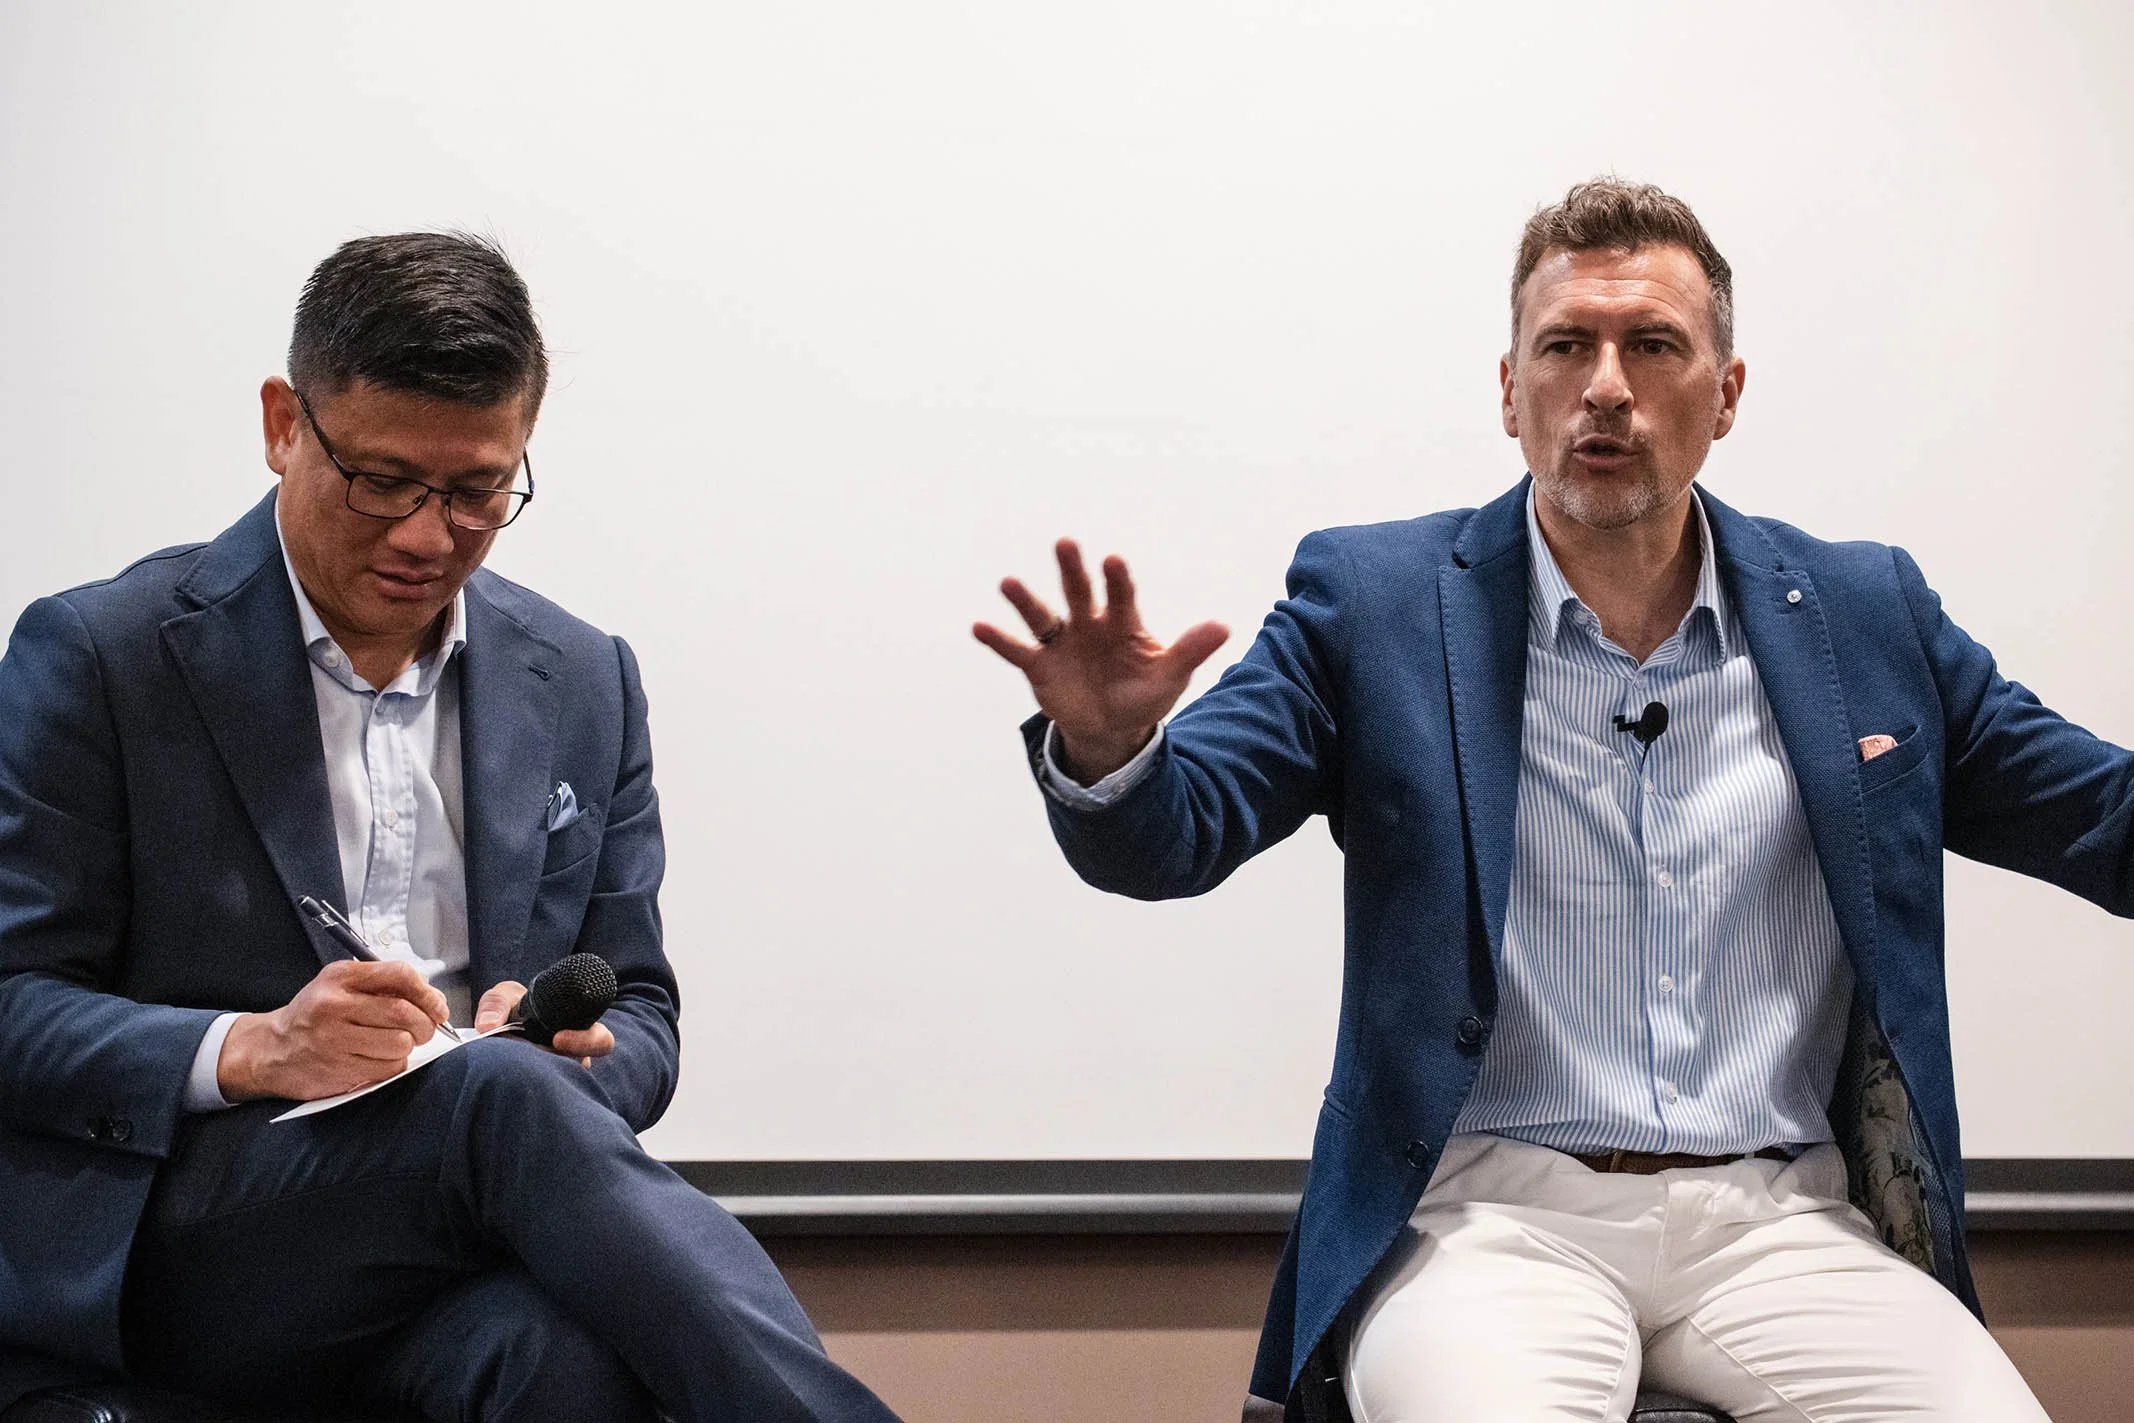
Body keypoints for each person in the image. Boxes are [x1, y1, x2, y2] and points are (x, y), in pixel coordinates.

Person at [976, 179, 2090, 1421]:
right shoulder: (1376, 603)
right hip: (1491, 1219)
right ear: (1510, 391)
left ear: (1724, 394)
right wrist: (1112, 747)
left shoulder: (1861, 614)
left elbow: (2095, 814)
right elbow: (1174, 833)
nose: (1605, 386)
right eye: (1565, 347)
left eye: (1652, 344)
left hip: (1782, 1217)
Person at [0, 233, 900, 1423]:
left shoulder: (583, 676)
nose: (429, 537)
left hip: (454, 1247)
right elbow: (14, 1002)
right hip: (190, 1249)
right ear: (283, 425)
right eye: (381, 481)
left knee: (566, 1366)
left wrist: (577, 1055)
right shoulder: (103, 654)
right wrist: (254, 1046)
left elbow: (638, 1004)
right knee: (495, 1100)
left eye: (480, 492)